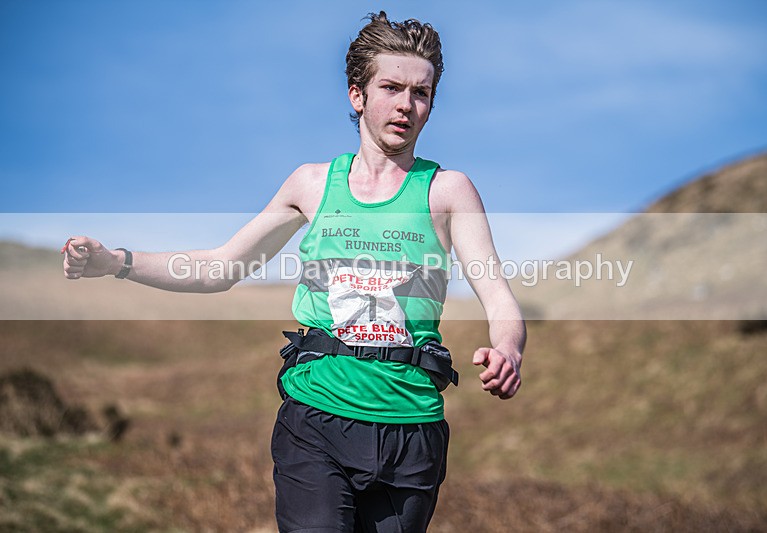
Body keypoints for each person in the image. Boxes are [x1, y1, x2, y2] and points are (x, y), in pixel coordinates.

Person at [63, 11, 525, 533]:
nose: (406, 105)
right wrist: (116, 262)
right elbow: (219, 267)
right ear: (357, 95)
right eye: (391, 87)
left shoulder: (449, 192)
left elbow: (500, 300)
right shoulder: (310, 185)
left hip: (412, 429)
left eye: (421, 92)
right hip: (316, 418)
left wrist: (507, 349)